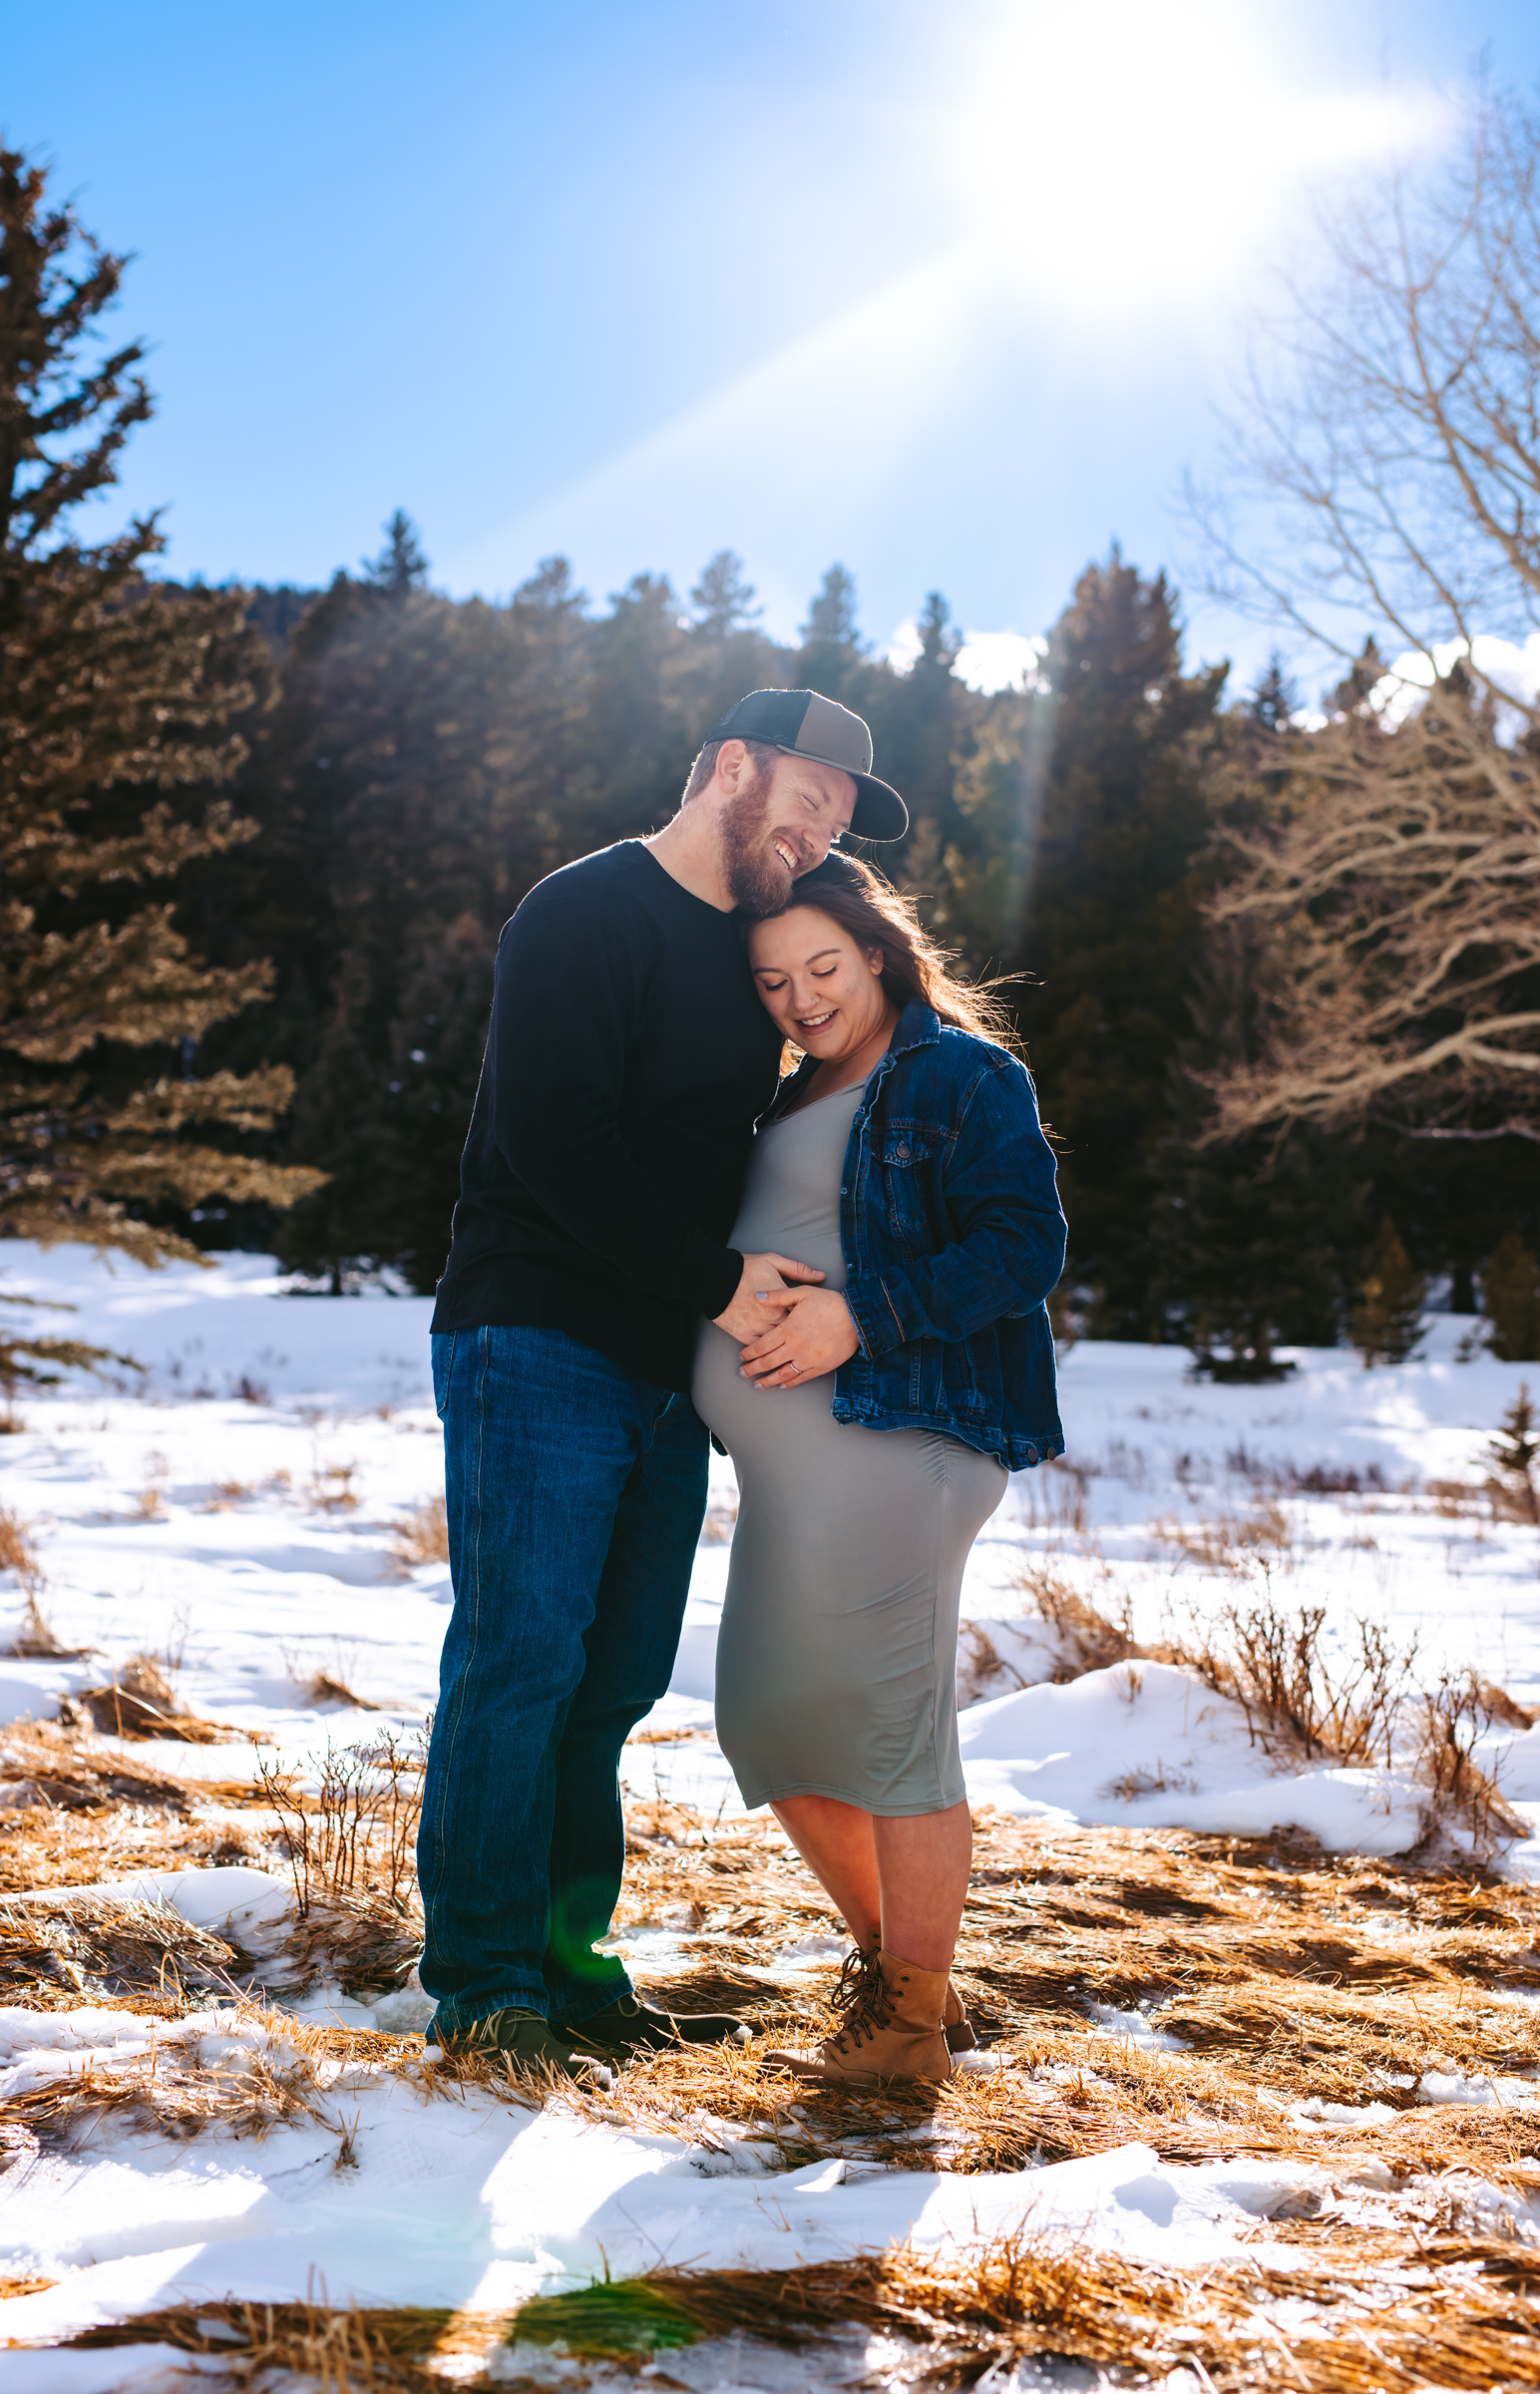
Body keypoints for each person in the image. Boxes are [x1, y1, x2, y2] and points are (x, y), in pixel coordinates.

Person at [418, 689, 910, 2077]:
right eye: (806, 798)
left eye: (836, 822)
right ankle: (481, 1985)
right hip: (535, 1336)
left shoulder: (749, 954)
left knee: (613, 1676)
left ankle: (573, 1976)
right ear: (732, 767)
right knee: (520, 1661)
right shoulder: (583, 910)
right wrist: (713, 1280)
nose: (816, 835)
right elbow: (555, 1140)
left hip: (660, 1363)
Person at [693, 853, 1065, 2085]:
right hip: (796, 1481)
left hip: (899, 1448)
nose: (800, 998)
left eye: (822, 968)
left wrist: (860, 1317)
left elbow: (1022, 1246)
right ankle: (903, 1981)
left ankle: (907, 2028)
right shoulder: (781, 1094)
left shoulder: (959, 1076)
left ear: (878, 953)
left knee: (895, 1737)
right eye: (771, 981)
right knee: (769, 1721)